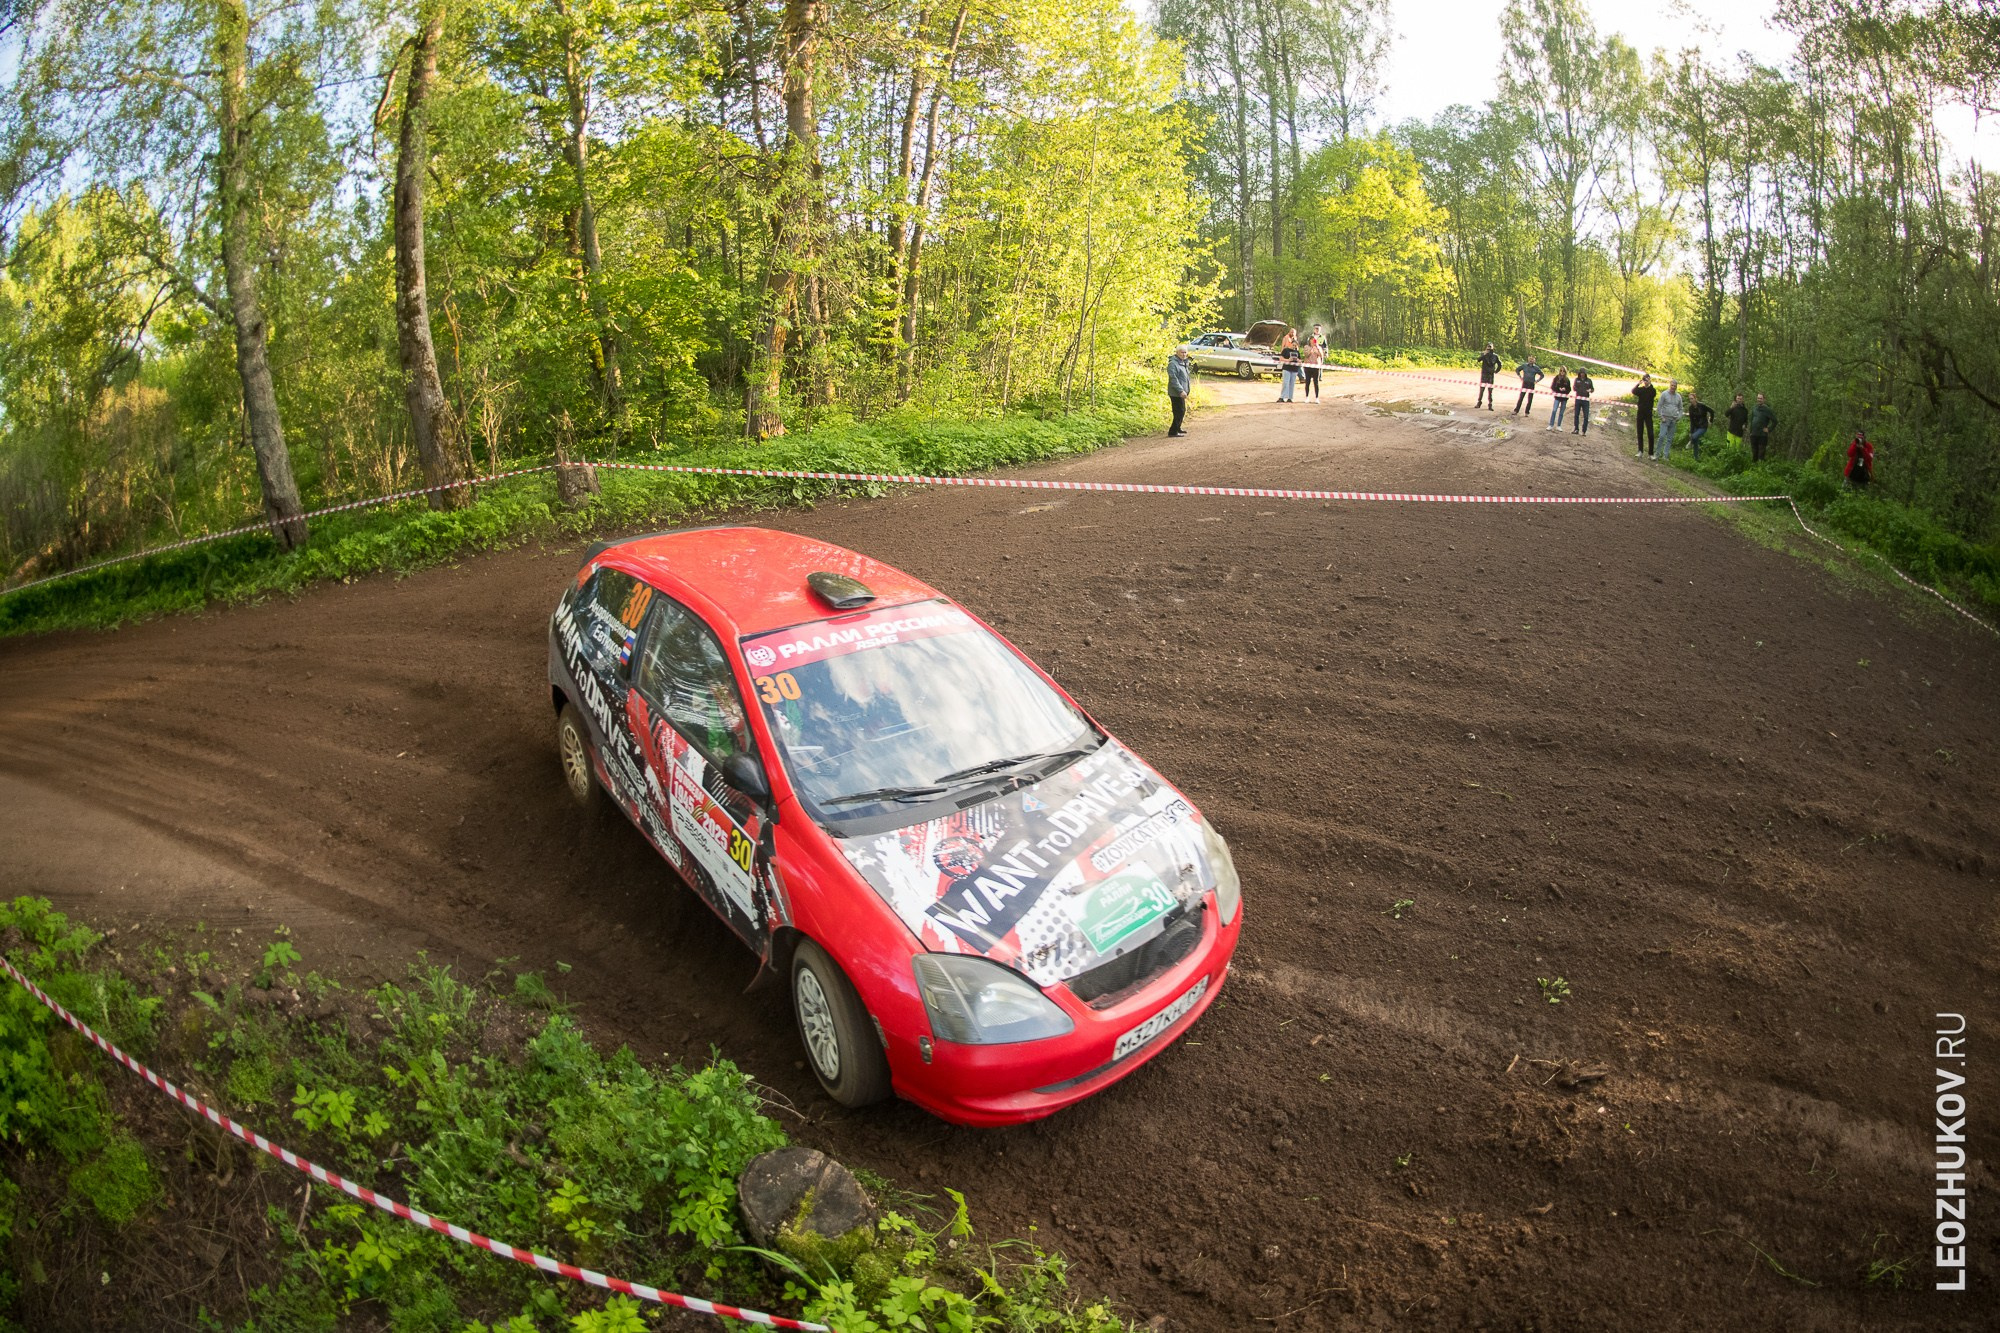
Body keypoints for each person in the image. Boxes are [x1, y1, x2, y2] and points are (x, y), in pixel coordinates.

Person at [1166, 346, 1192, 437]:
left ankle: (1178, 428)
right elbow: (1173, 379)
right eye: (1182, 352)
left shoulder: (1183, 363)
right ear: (1177, 353)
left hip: (1182, 392)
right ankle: (1173, 431)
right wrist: (1181, 391)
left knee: (1182, 410)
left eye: (1185, 352)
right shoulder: (1173, 364)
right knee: (1178, 411)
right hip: (1176, 393)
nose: (1184, 354)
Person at [1657, 380, 1684, 462]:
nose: (1673, 387)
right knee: (1661, 436)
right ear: (1670, 385)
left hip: (1673, 420)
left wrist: (1678, 417)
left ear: (1676, 387)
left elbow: (1681, 409)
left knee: (1669, 439)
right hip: (1665, 419)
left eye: (1674, 386)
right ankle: (1657, 454)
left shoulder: (1678, 396)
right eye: (1672, 385)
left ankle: (1665, 455)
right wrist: (1661, 416)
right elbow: (1659, 406)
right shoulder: (1664, 394)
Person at [1632, 373, 1658, 457]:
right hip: (1640, 413)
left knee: (1650, 433)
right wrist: (1638, 384)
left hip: (1648, 414)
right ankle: (1640, 451)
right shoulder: (1641, 390)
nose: (1646, 381)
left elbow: (1653, 394)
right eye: (1645, 380)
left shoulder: (1652, 390)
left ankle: (1651, 453)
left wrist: (1650, 384)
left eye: (1648, 379)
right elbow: (1633, 391)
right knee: (1640, 432)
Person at [1747, 392, 1775, 462]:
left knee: (1761, 454)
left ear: (1764, 399)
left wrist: (1769, 429)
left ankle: (1760, 469)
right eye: (1758, 398)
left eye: (1761, 398)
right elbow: (1752, 420)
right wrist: (1750, 432)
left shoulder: (1767, 410)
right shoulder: (1754, 408)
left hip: (1762, 435)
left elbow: (1775, 421)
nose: (1759, 400)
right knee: (1754, 453)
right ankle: (1753, 469)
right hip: (1753, 434)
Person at [1684, 391, 1713, 460]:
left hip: (1703, 426)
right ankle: (1696, 458)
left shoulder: (1702, 406)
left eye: (1692, 398)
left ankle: (1690, 442)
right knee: (1695, 442)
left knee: (1694, 437)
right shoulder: (1690, 408)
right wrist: (1691, 431)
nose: (1691, 400)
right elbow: (1691, 420)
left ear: (1695, 398)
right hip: (1695, 426)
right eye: (1690, 399)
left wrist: (1711, 421)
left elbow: (1712, 411)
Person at [1277, 330, 1302, 402]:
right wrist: (1288, 360)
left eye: (1295, 346)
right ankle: (1282, 397)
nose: (1294, 347)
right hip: (1286, 368)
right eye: (1293, 345)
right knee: (1285, 382)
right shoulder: (1286, 350)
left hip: (1294, 369)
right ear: (1291, 344)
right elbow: (1281, 358)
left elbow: (1300, 361)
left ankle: (1290, 398)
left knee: (1292, 384)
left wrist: (1297, 360)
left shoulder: (1297, 352)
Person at [1301, 327, 1324, 402]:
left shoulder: (1318, 347)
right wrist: (1311, 350)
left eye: (1314, 340)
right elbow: (1306, 355)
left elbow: (1321, 355)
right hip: (1308, 366)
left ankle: (1317, 398)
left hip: (1316, 366)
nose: (1313, 341)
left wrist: (1317, 349)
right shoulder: (1306, 347)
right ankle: (1307, 397)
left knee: (1316, 382)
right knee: (1307, 382)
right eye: (1312, 340)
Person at [1476, 343, 1501, 409]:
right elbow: (1478, 360)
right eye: (1488, 347)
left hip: (1491, 375)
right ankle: (1479, 402)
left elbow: (1500, 364)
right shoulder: (1484, 354)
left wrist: (1496, 371)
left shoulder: (1495, 356)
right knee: (1482, 389)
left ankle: (1490, 404)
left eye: (1490, 347)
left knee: (1490, 390)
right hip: (1484, 374)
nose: (1489, 349)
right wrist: (1484, 354)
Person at [1570, 369, 1594, 435]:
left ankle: (1584, 431)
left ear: (1585, 374)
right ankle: (1576, 429)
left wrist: (1590, 390)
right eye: (1581, 373)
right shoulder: (1577, 380)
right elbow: (1574, 388)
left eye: (1583, 373)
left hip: (1586, 400)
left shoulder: (1589, 380)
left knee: (1586, 416)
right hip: (1578, 399)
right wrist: (1577, 389)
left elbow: (1592, 389)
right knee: (1576, 414)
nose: (1582, 374)